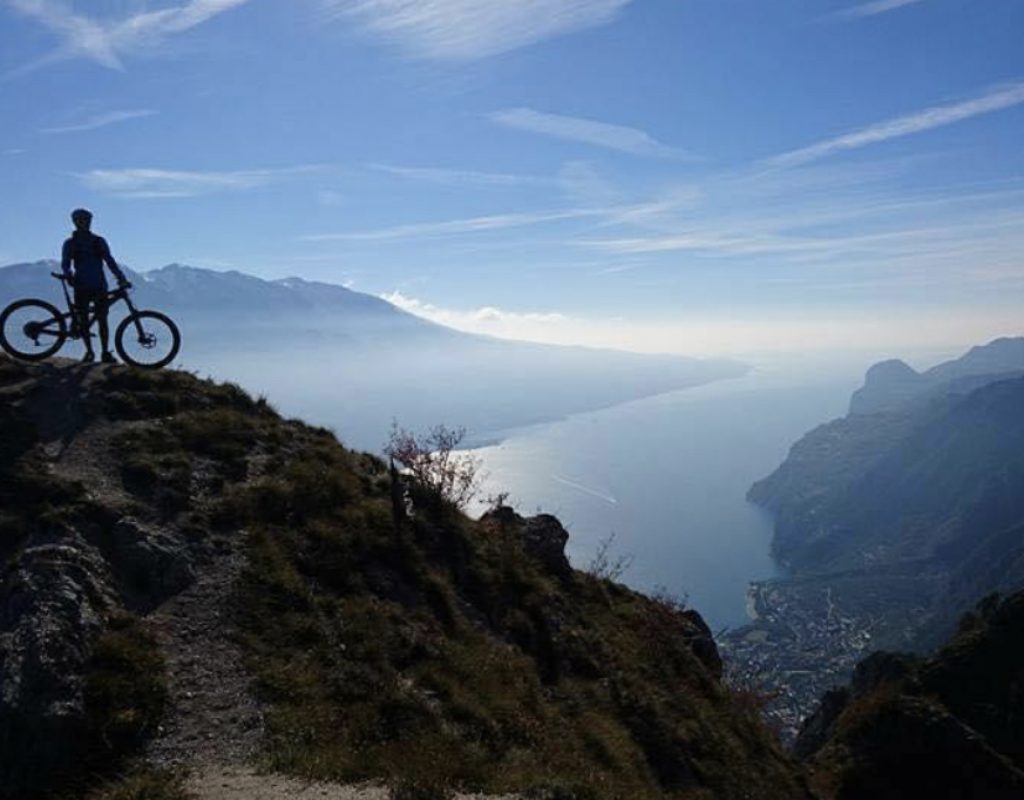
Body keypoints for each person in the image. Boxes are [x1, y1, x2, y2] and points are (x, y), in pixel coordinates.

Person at [61, 208, 130, 363]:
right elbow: (65, 264)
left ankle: (104, 352)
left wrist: (121, 277)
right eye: (80, 220)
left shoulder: (97, 241)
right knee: (84, 319)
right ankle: (90, 352)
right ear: (75, 222)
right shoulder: (71, 243)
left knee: (101, 320)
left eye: (86, 220)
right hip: (83, 285)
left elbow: (109, 261)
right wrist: (68, 275)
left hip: (97, 285)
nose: (84, 223)